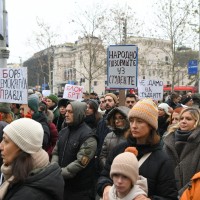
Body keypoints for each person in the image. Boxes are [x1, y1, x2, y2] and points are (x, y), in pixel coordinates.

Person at [97, 98, 178, 200]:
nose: (134, 126)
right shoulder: (118, 150)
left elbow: (169, 196)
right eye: (131, 121)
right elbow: (104, 176)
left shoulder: (162, 159)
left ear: (151, 125)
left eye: (139, 121)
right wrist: (106, 187)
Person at [0, 118, 64, 200]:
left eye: (6, 141)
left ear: (22, 147)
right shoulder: (26, 174)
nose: (0, 146)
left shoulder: (27, 195)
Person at [51, 101, 97, 200]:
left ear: (78, 113)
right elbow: (55, 152)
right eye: (66, 111)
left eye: (70, 112)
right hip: (62, 186)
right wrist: (55, 168)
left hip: (80, 190)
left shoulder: (88, 136)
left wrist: (60, 173)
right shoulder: (63, 132)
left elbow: (81, 162)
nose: (66, 114)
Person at [163, 107, 200, 194]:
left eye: (188, 119)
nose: (183, 121)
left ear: (197, 122)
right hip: (167, 193)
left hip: (192, 194)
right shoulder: (168, 140)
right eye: (181, 118)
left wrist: (182, 194)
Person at [99, 106, 130, 171]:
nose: (116, 121)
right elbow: (103, 156)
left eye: (120, 118)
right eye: (115, 118)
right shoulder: (109, 136)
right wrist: (109, 168)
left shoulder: (132, 136)